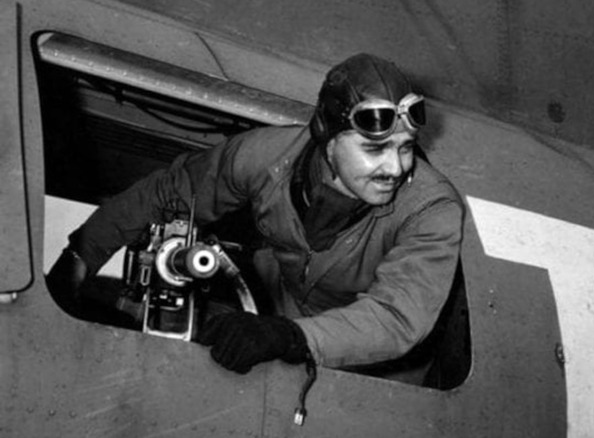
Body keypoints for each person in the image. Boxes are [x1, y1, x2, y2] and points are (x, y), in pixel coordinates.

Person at [46, 53, 464, 376]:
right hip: (280, 314)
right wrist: (79, 259)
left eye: (406, 147)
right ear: (327, 138)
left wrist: (292, 337)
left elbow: (396, 317)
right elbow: (169, 192)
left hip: (377, 360)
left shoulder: (432, 208)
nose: (395, 167)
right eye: (375, 149)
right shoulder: (263, 157)